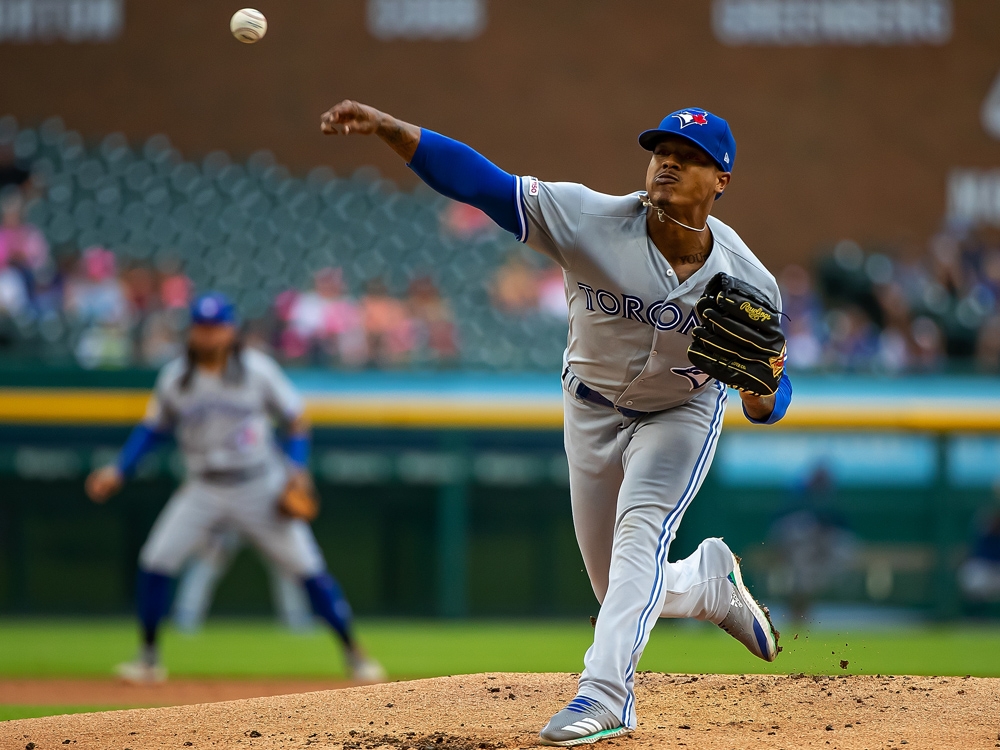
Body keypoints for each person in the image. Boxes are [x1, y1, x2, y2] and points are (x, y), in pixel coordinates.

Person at [321, 101, 792, 746]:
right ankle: (705, 583)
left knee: (640, 538)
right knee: (618, 584)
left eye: (691, 158)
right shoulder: (588, 218)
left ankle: (604, 698)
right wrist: (391, 130)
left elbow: (772, 390)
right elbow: (482, 183)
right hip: (591, 407)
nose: (669, 162)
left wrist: (762, 398)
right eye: (662, 151)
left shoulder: (749, 280)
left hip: (681, 412)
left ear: (722, 182)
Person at [85, 292, 385, 684]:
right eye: (201, 328)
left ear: (230, 331)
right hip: (203, 487)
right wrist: (119, 469)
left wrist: (296, 469)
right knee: (156, 561)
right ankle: (148, 658)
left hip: (260, 485)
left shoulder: (258, 370)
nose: (208, 336)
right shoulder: (175, 378)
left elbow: (296, 421)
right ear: (192, 331)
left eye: (216, 328)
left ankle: (354, 654)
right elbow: (152, 430)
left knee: (308, 569)